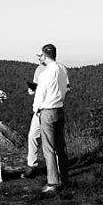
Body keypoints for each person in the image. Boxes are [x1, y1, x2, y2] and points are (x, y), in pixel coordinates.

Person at [33, 43, 71, 193]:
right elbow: (64, 90)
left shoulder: (46, 73)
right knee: (61, 147)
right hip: (59, 109)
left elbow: (40, 94)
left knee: (48, 148)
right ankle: (65, 179)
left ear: (44, 56)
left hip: (47, 110)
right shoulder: (62, 70)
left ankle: (52, 183)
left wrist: (36, 109)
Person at [25, 59, 47, 177]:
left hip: (48, 108)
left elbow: (67, 88)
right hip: (38, 109)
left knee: (50, 139)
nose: (39, 58)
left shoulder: (58, 69)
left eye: (40, 56)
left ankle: (55, 166)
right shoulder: (38, 69)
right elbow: (33, 89)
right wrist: (32, 89)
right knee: (32, 135)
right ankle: (31, 165)